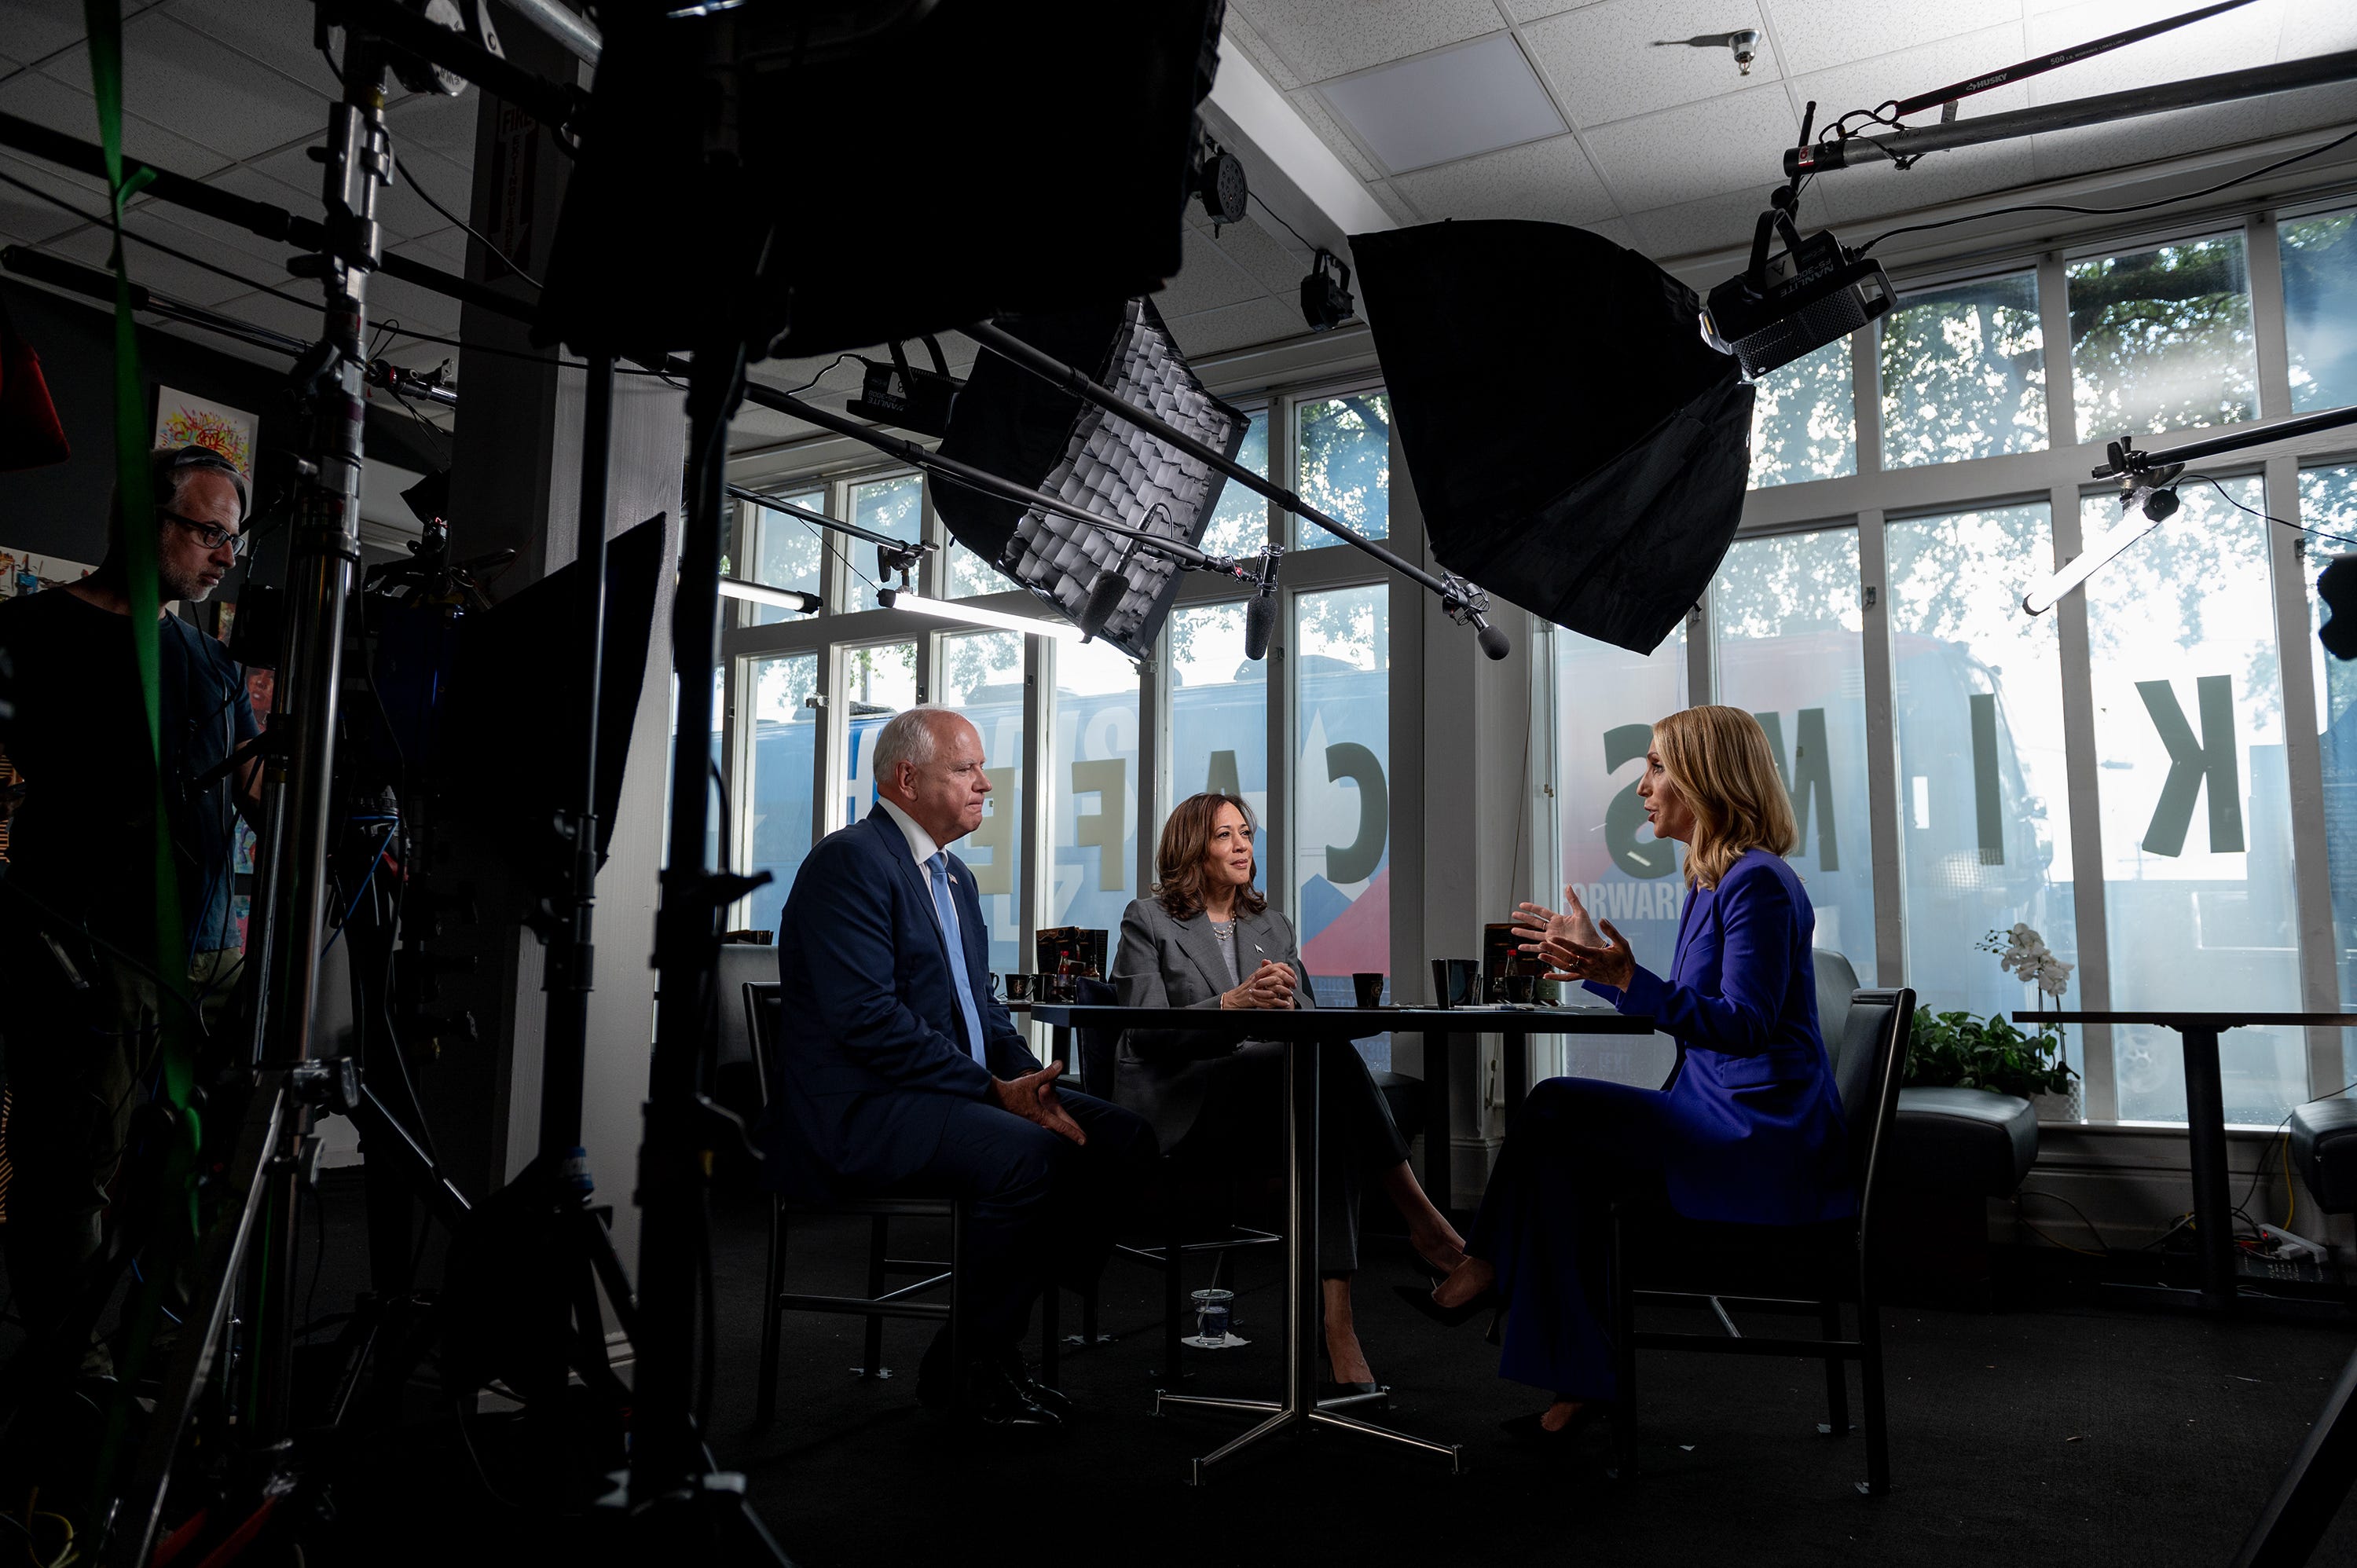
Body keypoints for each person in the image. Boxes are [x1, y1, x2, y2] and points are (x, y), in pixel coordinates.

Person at [1405, 705, 1852, 1442]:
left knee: (1553, 1105)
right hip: (1720, 1112)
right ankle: (1575, 1380)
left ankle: (1486, 1269)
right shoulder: (1712, 883)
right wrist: (1597, 967)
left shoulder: (1758, 883)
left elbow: (1744, 1025)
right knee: (1564, 1163)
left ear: (1707, 778)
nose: (1642, 787)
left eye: (1657, 766)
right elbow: (1697, 1012)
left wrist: (1621, 976)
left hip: (1759, 1136)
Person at [766, 705, 1156, 1428]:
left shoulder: (955, 879)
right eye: (966, 769)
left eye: (981, 768)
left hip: (953, 1097)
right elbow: (869, 1021)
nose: (985, 784)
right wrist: (993, 1091)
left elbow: (984, 1011)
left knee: (1122, 1139)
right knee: (1034, 1159)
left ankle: (990, 1331)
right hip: (865, 1110)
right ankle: (971, 1368)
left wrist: (1032, 1083)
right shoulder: (849, 862)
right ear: (907, 778)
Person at [0, 445, 262, 1376]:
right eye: (208, 531)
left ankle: (171, 1349)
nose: (225, 555)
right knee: (73, 1165)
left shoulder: (211, 660)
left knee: (209, 1154)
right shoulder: (32, 631)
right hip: (89, 951)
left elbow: (249, 789)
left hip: (203, 956)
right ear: (145, 522)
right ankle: (67, 1371)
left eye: (234, 539)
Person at [1113, 792, 1463, 1396]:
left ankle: (1338, 1320)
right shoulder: (1148, 920)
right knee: (1325, 1075)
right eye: (1224, 835)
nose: (1242, 846)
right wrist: (1231, 1003)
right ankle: (1427, 1229)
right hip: (1188, 1098)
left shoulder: (1270, 925)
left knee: (1325, 1099)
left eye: (1246, 833)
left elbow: (1306, 1021)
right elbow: (1145, 1030)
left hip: (1271, 1094)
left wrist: (1288, 1001)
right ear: (1192, 848)